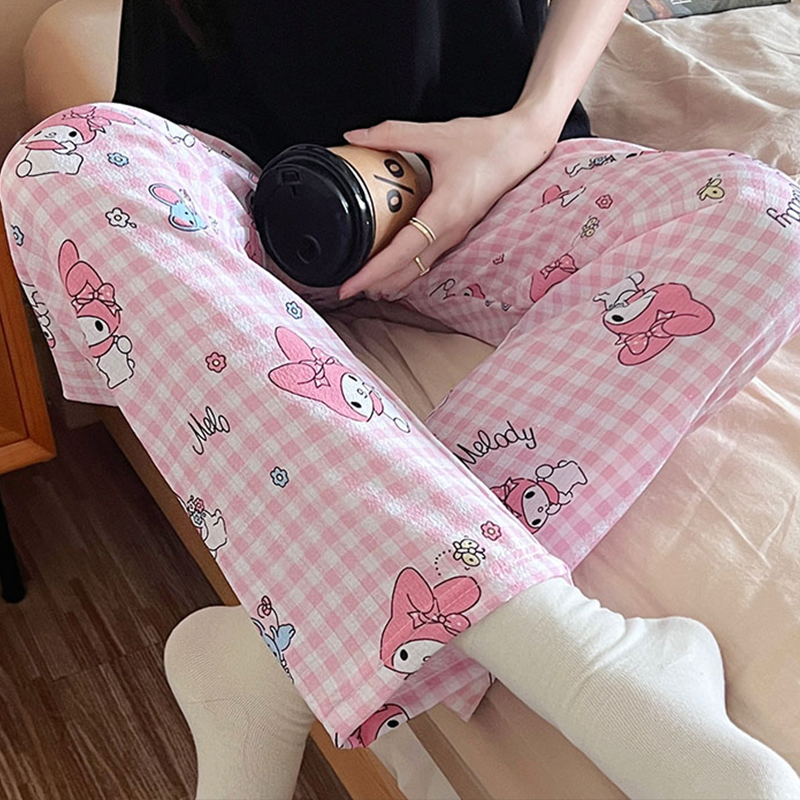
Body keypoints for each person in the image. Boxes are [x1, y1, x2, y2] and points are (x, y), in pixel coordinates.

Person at [3, 1, 800, 797]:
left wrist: (526, 128)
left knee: (764, 212)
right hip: (237, 188)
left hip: (493, 164)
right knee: (61, 160)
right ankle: (585, 660)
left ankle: (267, 663)